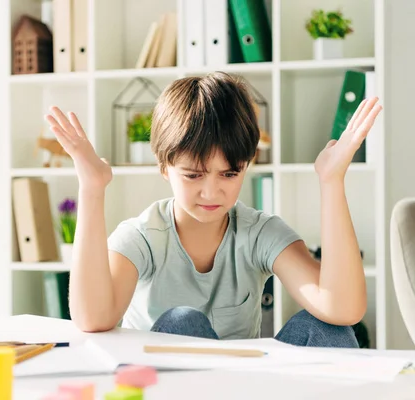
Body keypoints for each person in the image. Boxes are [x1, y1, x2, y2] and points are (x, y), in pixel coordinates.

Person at [44, 72, 382, 348]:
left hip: (241, 387)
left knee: (329, 329)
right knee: (183, 322)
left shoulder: (258, 233)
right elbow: (93, 319)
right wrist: (91, 189)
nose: (211, 191)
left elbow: (344, 308)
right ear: (165, 168)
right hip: (167, 386)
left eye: (229, 173)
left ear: (246, 167)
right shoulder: (142, 236)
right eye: (193, 175)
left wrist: (331, 181)